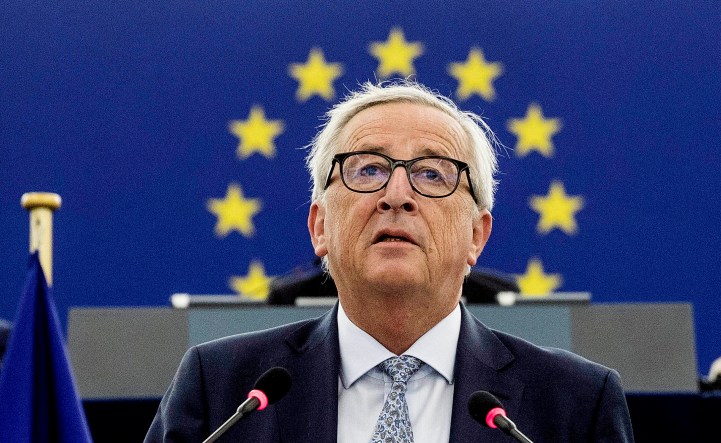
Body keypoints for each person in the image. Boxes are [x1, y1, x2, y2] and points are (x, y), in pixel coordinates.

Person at [145, 81, 634, 442]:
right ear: (319, 227)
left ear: (476, 236)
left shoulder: (576, 404)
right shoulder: (224, 390)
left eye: (432, 173)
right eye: (369, 169)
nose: (396, 195)